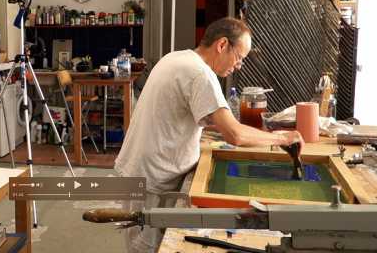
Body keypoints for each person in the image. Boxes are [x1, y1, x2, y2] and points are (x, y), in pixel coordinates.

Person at [114, 17, 304, 253]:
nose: (239, 65)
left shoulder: (177, 57)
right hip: (151, 179)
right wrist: (284, 138)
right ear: (222, 45)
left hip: (140, 170)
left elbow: (196, 117)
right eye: (239, 57)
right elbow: (235, 135)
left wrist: (252, 132)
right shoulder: (200, 74)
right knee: (147, 248)